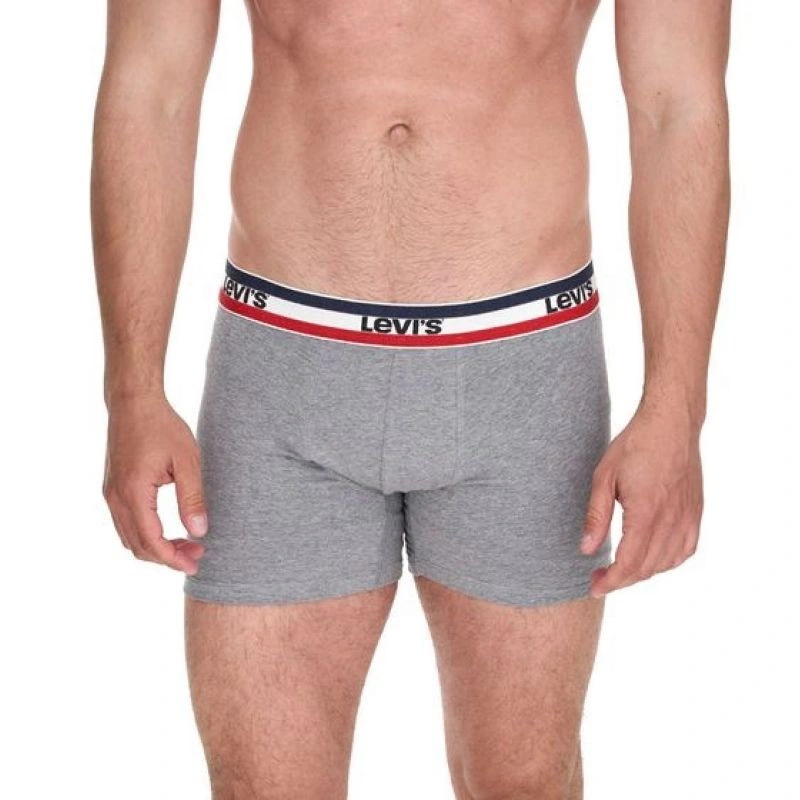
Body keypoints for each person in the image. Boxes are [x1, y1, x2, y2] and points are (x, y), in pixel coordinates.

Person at [91, 1, 731, 797]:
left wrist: (677, 407)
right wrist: (131, 391)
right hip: (285, 374)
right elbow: (150, 89)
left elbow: (679, 104)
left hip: (523, 379)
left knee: (524, 783)